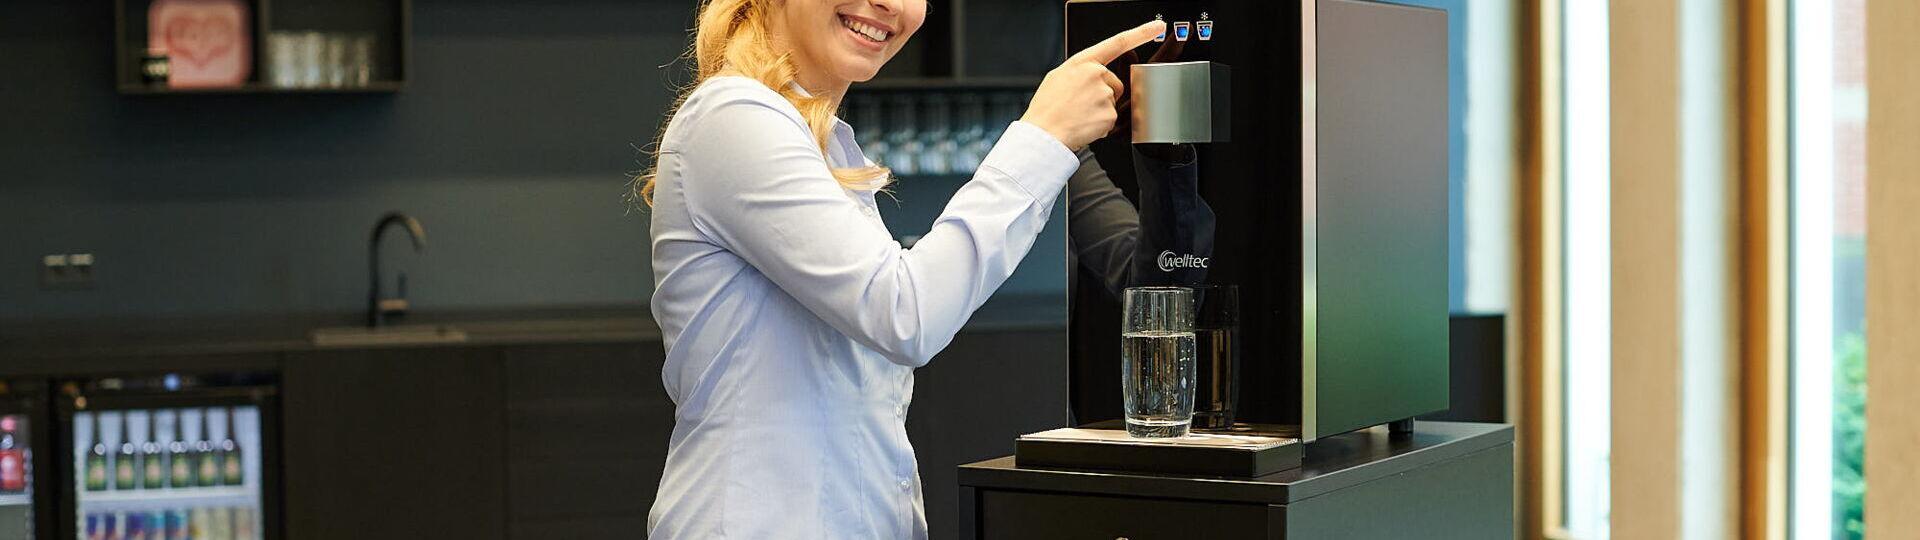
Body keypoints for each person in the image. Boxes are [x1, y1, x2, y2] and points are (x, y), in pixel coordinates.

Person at [636, 0, 1164, 535]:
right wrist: (1043, 137)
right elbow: (903, 311)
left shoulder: (824, 143)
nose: (891, 4)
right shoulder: (734, 115)